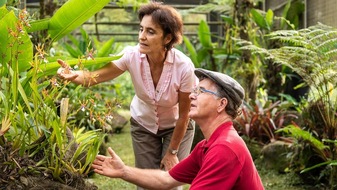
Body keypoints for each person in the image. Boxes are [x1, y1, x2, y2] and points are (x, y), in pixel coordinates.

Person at [57, 2, 196, 189]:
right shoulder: (130, 55)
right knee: (144, 182)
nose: (142, 37)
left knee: (170, 181)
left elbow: (185, 115)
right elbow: (93, 77)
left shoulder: (184, 67)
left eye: (151, 32)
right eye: (141, 29)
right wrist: (75, 75)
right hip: (144, 123)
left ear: (167, 38)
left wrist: (172, 151)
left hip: (178, 125)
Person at [92, 68, 265, 190]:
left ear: (221, 104)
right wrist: (124, 171)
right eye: (194, 90)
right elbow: (166, 179)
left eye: (201, 91)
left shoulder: (225, 149)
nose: (191, 95)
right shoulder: (207, 146)